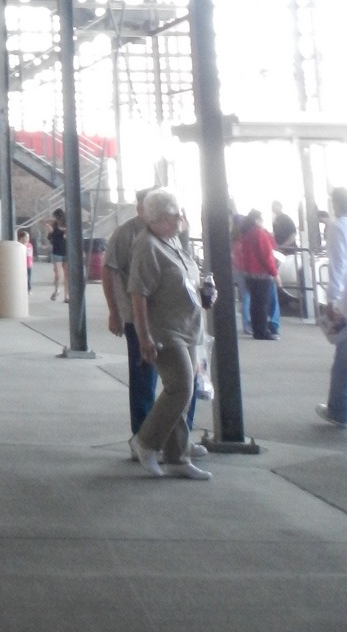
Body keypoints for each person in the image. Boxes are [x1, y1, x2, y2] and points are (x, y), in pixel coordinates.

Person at [127, 186, 212, 481]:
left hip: (187, 327)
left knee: (183, 393)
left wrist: (204, 291)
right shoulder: (146, 246)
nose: (181, 220)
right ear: (159, 218)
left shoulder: (172, 241)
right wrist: (144, 336)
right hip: (165, 330)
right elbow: (139, 294)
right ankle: (146, 442)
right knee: (181, 387)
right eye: (176, 215)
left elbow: (185, 278)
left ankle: (177, 456)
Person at [102, 189, 157, 437]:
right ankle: (143, 435)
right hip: (136, 317)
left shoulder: (168, 232)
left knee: (181, 380)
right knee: (144, 376)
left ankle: (174, 437)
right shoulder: (126, 234)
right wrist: (114, 311)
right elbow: (109, 271)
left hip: (166, 318)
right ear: (140, 208)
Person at [317, 186, 347, 427]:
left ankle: (338, 410)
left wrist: (331, 299)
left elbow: (338, 265)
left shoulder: (338, 226)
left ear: (335, 204)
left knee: (343, 361)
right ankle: (338, 407)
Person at [232, 209, 280, 340]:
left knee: (255, 303)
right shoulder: (259, 233)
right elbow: (266, 255)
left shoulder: (245, 234)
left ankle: (257, 329)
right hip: (261, 273)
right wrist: (274, 273)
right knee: (262, 304)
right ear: (256, 220)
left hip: (249, 273)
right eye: (261, 219)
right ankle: (262, 331)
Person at [47, 208, 68, 301]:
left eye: (55, 217)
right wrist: (50, 232)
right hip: (57, 251)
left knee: (67, 275)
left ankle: (66, 296)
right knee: (58, 274)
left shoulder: (67, 224)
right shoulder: (54, 225)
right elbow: (51, 238)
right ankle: (57, 290)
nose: (54, 219)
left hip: (66, 250)